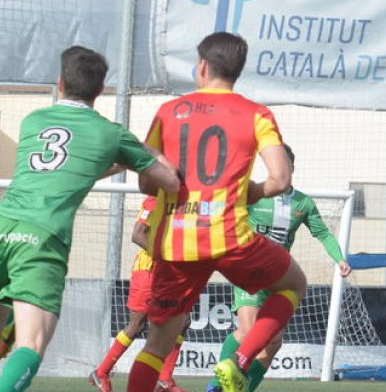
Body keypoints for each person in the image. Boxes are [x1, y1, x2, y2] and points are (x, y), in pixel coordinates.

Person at [0, 46, 180, 392]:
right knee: (30, 344)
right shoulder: (110, 133)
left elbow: (69, 168)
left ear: (59, 82)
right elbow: (169, 181)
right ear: (101, 91)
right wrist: (145, 152)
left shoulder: (33, 120)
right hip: (41, 236)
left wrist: (120, 161)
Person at [126, 32, 308, 392]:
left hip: (175, 240)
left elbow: (147, 183)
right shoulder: (257, 114)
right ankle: (239, 360)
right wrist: (251, 193)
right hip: (230, 237)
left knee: (156, 346)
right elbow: (281, 178)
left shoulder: (168, 112)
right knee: (293, 284)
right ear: (237, 70)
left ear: (203, 66)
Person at [205, 144, 352, 392]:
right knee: (249, 330)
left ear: (292, 167)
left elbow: (323, 234)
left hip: (280, 277)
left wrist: (339, 259)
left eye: (285, 163)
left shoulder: (303, 203)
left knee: (273, 343)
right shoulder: (256, 193)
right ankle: (214, 386)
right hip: (249, 270)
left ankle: (242, 388)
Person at [90, 197, 189, 392]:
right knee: (137, 325)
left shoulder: (184, 203)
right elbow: (137, 235)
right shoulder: (155, 200)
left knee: (183, 321)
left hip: (168, 271)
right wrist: (165, 256)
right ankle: (101, 372)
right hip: (148, 270)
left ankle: (165, 379)